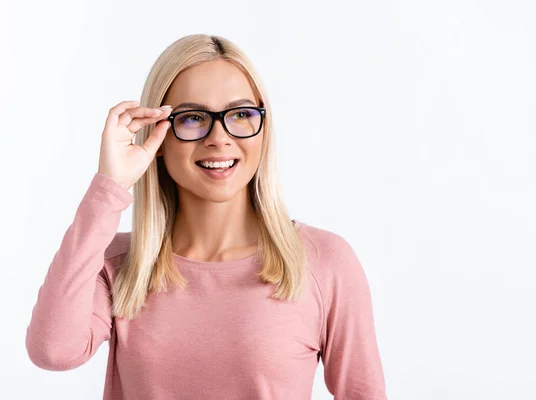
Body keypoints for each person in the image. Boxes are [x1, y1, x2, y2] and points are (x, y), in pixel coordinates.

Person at [25, 33, 388, 400]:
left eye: (242, 114)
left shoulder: (324, 262)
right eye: (194, 118)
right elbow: (53, 351)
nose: (219, 137)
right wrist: (110, 187)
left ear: (263, 129)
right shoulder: (120, 267)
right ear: (158, 137)